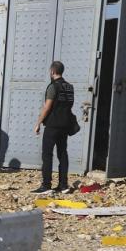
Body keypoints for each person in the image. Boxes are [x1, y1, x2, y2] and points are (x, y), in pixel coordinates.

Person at [32, 61, 75, 194]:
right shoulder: (69, 87)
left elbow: (47, 106)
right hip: (65, 125)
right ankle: (63, 185)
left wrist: (39, 122)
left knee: (47, 154)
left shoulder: (53, 87)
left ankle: (46, 185)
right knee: (62, 154)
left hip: (53, 125)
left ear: (52, 71)